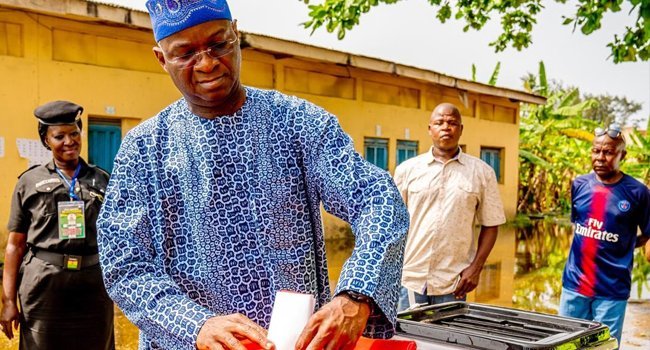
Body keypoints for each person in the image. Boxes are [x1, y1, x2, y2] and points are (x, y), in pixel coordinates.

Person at [96, 1, 409, 349]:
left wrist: (356, 295)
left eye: (218, 44)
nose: (207, 63)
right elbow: (124, 262)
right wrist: (194, 325)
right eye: (185, 53)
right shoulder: (143, 149)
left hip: (295, 341)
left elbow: (376, 198)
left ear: (236, 34)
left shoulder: (298, 123)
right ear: (161, 58)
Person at [1, 101, 114, 349]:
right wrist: (8, 300)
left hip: (93, 286)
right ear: (46, 141)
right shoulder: (29, 182)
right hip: (44, 286)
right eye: (59, 136)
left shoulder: (102, 179)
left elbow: (116, 237)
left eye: (74, 133)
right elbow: (15, 246)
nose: (69, 141)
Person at [394, 102, 506, 311]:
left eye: (452, 123)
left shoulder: (482, 173)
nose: (446, 127)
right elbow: (392, 223)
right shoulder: (407, 170)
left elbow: (491, 224)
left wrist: (476, 268)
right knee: (406, 341)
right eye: (439, 122)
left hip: (454, 282)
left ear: (461, 130)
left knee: (449, 341)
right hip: (409, 279)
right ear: (430, 129)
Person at [559, 123, 650, 346]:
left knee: (603, 346)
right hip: (574, 286)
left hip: (612, 290)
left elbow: (648, 233)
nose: (600, 157)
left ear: (622, 155)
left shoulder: (638, 193)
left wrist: (628, 244)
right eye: (596, 151)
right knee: (564, 344)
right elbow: (581, 227)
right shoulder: (579, 185)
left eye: (608, 152)